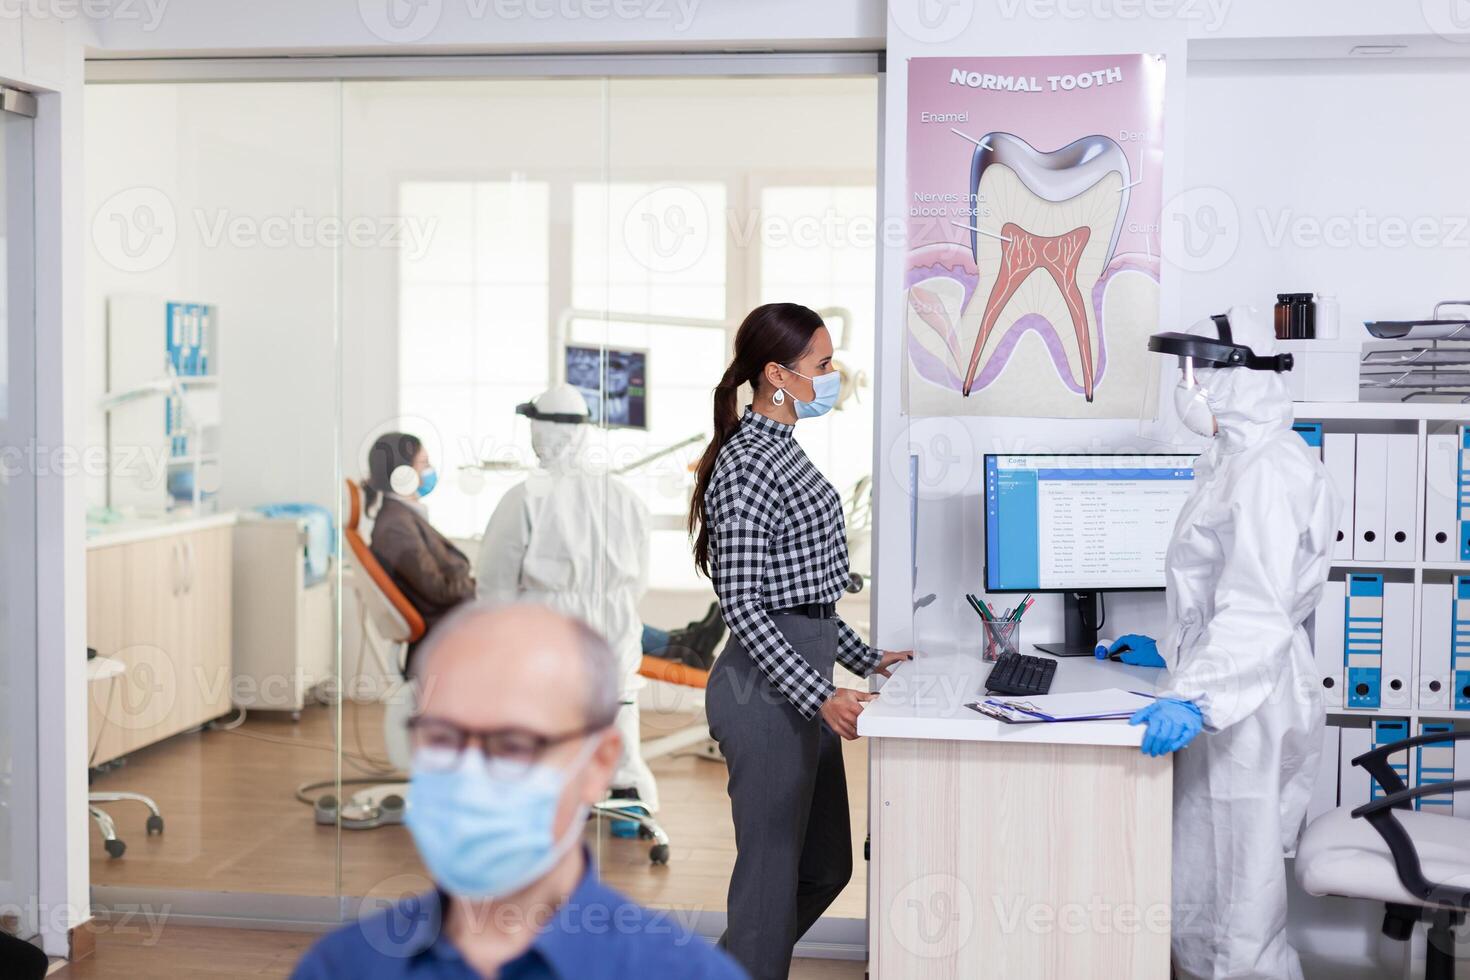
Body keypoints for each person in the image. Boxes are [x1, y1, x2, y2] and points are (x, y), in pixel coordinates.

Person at [291, 602, 747, 980]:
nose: (469, 775)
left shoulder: (683, 972)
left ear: (598, 764)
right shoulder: (340, 967)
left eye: (512, 744)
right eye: (443, 738)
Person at [1102, 306, 1339, 980]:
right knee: (1206, 885)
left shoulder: (1267, 470)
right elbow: (1218, 590)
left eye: (1198, 373)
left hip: (1248, 701)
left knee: (1236, 905)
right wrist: (1174, 649)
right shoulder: (1237, 460)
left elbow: (1257, 609)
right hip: (1231, 682)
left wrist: (1197, 695)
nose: (1188, 389)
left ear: (1242, 378)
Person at [688, 302, 911, 980]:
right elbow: (746, 607)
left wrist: (870, 659)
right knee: (767, 885)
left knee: (825, 867)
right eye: (822, 364)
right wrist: (821, 694)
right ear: (777, 375)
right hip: (765, 698)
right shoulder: (750, 461)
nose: (834, 374)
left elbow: (805, 599)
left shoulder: (782, 448)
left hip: (801, 687)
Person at [476, 384, 659, 832]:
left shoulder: (524, 497)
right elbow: (638, 581)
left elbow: (494, 585)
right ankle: (626, 804)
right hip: (612, 638)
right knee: (617, 713)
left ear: (541, 431)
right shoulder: (624, 498)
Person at [363, 432, 475, 667]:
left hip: (452, 624)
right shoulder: (396, 527)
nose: (430, 470)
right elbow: (438, 589)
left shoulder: (404, 517)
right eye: (424, 463)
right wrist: (482, 585)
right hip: (443, 631)